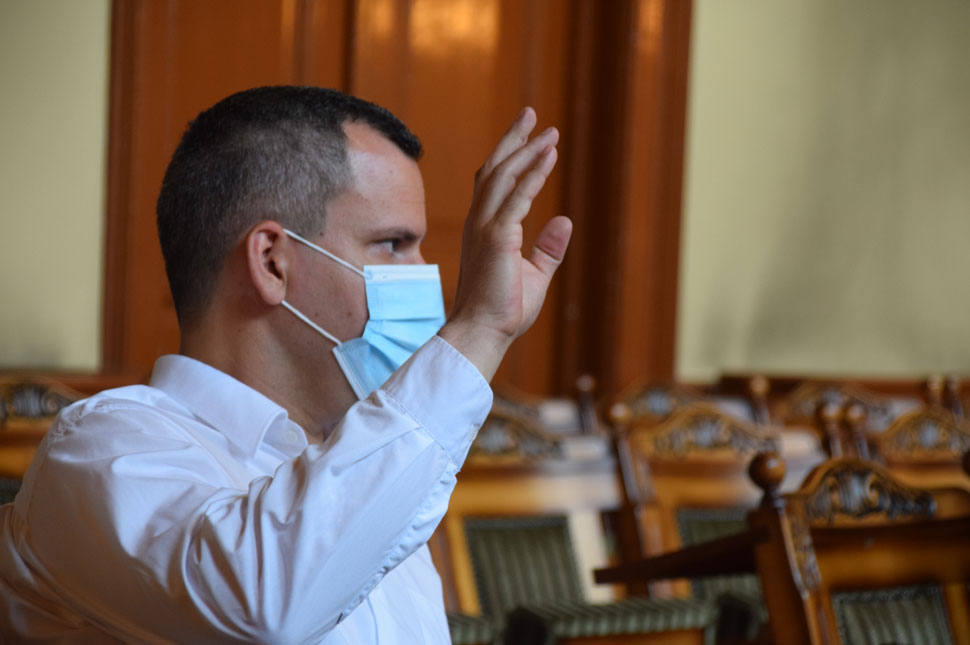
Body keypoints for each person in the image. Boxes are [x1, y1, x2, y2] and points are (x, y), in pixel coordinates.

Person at [0, 86, 571, 642]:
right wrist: (479, 330)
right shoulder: (100, 450)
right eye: (393, 245)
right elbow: (266, 610)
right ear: (272, 262)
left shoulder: (365, 465)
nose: (428, 278)